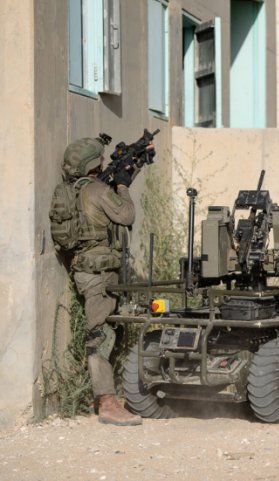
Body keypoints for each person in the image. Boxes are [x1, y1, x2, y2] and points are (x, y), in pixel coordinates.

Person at [58, 137, 141, 426]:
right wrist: (123, 185)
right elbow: (126, 214)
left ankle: (107, 394)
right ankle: (106, 402)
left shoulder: (71, 191)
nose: (103, 163)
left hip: (86, 270)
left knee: (107, 331)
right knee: (100, 336)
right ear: (93, 165)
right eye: (100, 161)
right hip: (99, 273)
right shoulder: (97, 190)